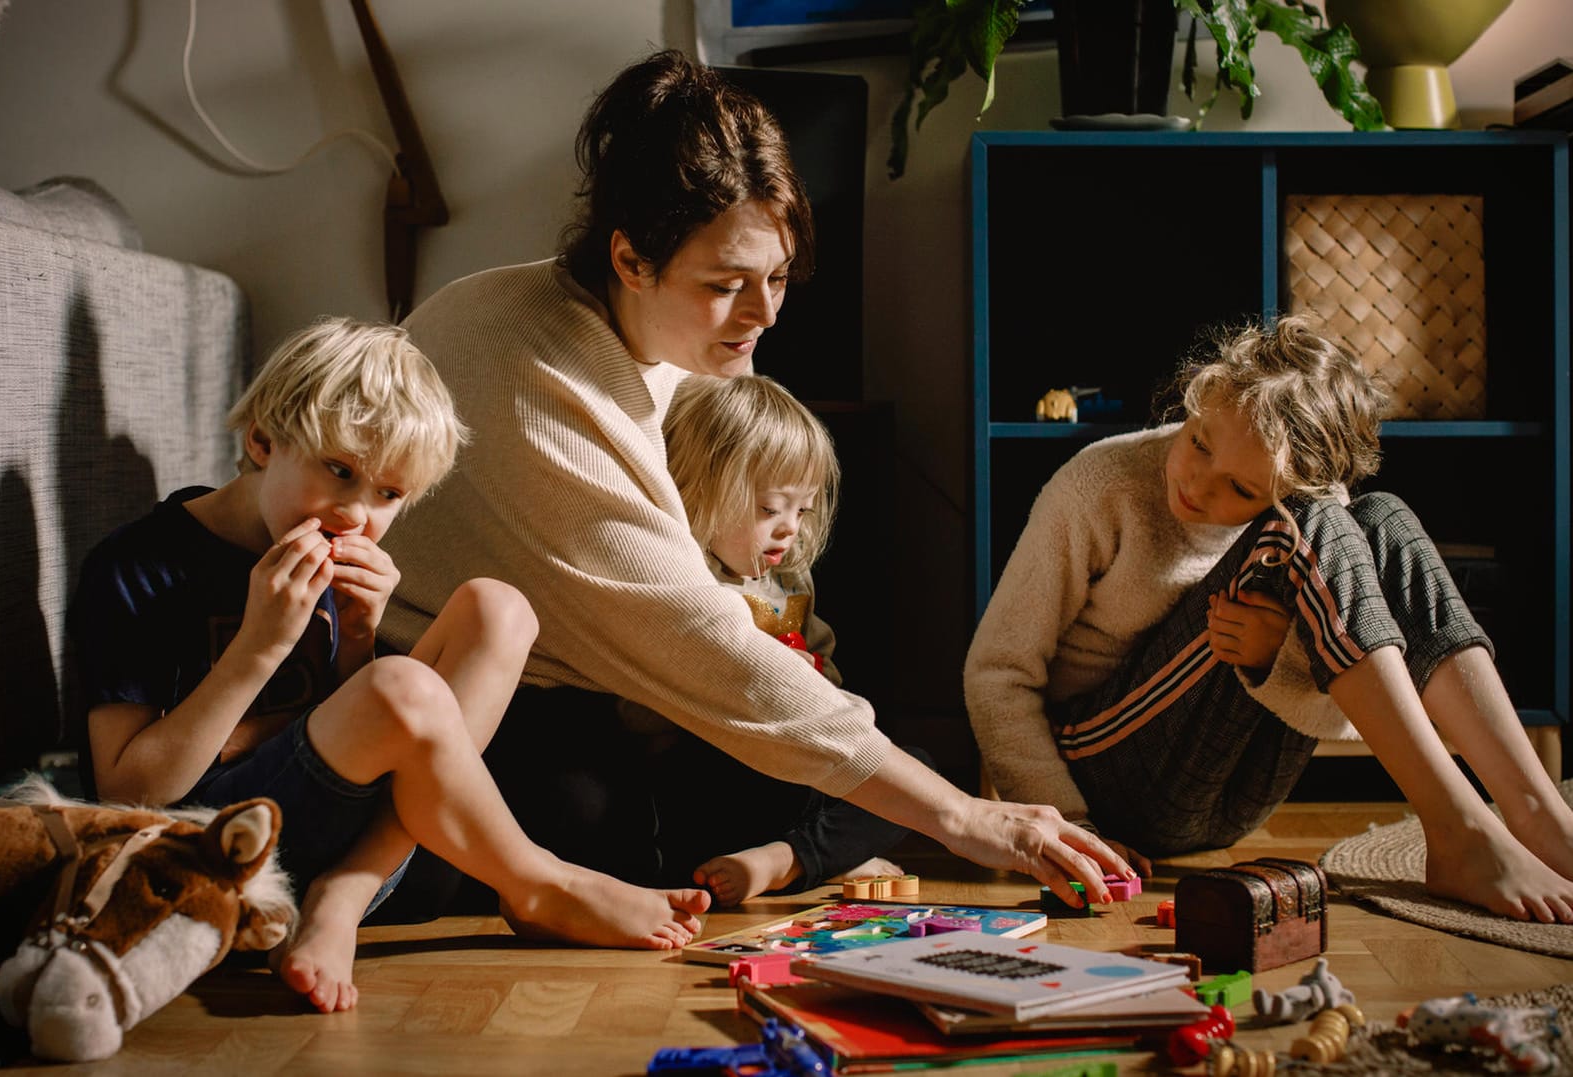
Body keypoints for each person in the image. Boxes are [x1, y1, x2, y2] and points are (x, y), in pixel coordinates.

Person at [378, 49, 1132, 908]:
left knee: (848, 767)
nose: (766, 311)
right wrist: (963, 817)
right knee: (603, 818)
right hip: (460, 698)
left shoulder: (651, 342)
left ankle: (780, 849)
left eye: (775, 277)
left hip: (603, 693)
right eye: (726, 284)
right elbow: (697, 639)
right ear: (629, 259)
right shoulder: (536, 374)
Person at [70, 316, 710, 1015]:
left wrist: (358, 637)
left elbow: (348, 729)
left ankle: (343, 896)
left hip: (375, 851)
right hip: (231, 853)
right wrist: (258, 648)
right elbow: (129, 792)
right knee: (402, 684)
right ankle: (533, 880)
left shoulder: (334, 547)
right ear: (261, 441)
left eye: (388, 495)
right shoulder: (139, 566)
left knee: (498, 608)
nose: (355, 514)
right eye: (338, 471)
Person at [965, 314, 1573, 924]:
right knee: (1312, 527)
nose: (1199, 485)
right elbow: (996, 674)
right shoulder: (1097, 487)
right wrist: (1070, 825)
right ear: (1194, 400)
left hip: (1236, 796)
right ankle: (1458, 827)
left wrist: (1275, 657)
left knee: (1382, 516)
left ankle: (1540, 817)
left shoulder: (1314, 508)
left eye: (1241, 487)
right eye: (1199, 442)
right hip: (1101, 781)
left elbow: (1353, 709)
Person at [644, 372, 919, 904]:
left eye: (802, 510)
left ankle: (787, 861)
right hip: (709, 776)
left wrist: (829, 697)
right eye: (770, 509)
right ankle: (819, 857)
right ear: (701, 489)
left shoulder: (789, 578)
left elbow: (825, 667)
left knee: (914, 766)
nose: (789, 527)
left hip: (794, 765)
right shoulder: (683, 574)